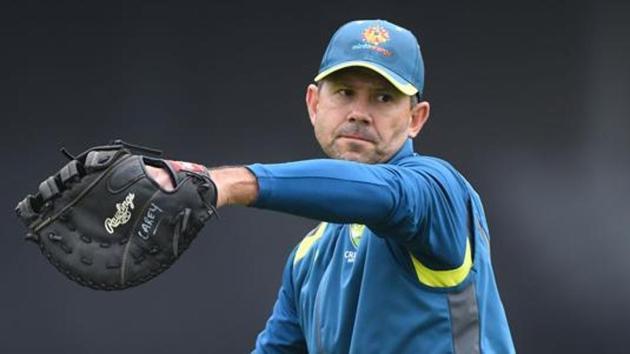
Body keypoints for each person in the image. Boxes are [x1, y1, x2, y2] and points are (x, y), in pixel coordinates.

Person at [150, 19, 515, 354]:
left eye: (383, 97)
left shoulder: (439, 193)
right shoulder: (308, 259)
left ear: (415, 119)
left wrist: (227, 182)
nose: (359, 112)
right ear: (314, 104)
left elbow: (385, 194)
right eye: (344, 92)